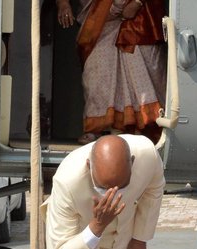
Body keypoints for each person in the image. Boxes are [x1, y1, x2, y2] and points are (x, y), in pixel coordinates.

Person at [57, 0, 167, 145]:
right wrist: (63, 4)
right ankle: (96, 128)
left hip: (137, 22)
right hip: (98, 24)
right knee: (97, 74)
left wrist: (137, 2)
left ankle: (139, 128)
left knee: (139, 73)